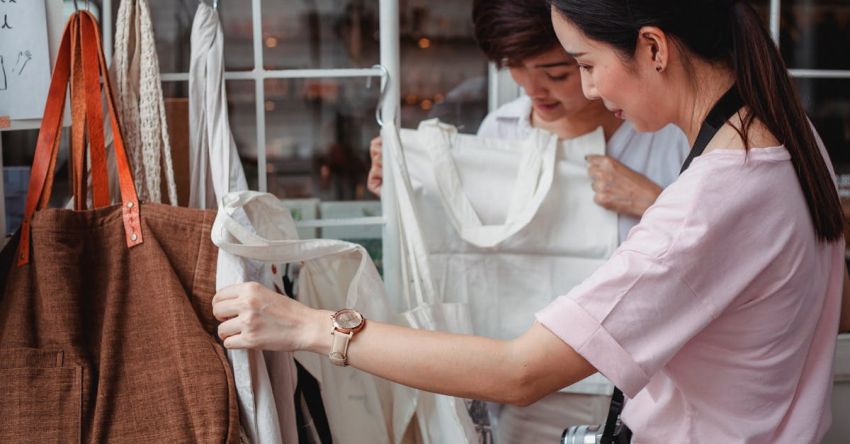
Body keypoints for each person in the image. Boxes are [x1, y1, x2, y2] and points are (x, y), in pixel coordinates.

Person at [213, 1, 850, 442]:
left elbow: (520, 372)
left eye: (586, 64)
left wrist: (312, 327)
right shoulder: (787, 141)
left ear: (653, 47)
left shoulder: (712, 198)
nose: (591, 90)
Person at [368, 1, 689, 441]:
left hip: (649, 381)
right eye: (515, 70)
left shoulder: (664, 137)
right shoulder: (502, 132)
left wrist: (652, 201)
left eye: (557, 73)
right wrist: (406, 185)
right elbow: (470, 252)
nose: (534, 90)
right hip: (531, 382)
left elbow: (713, 251)